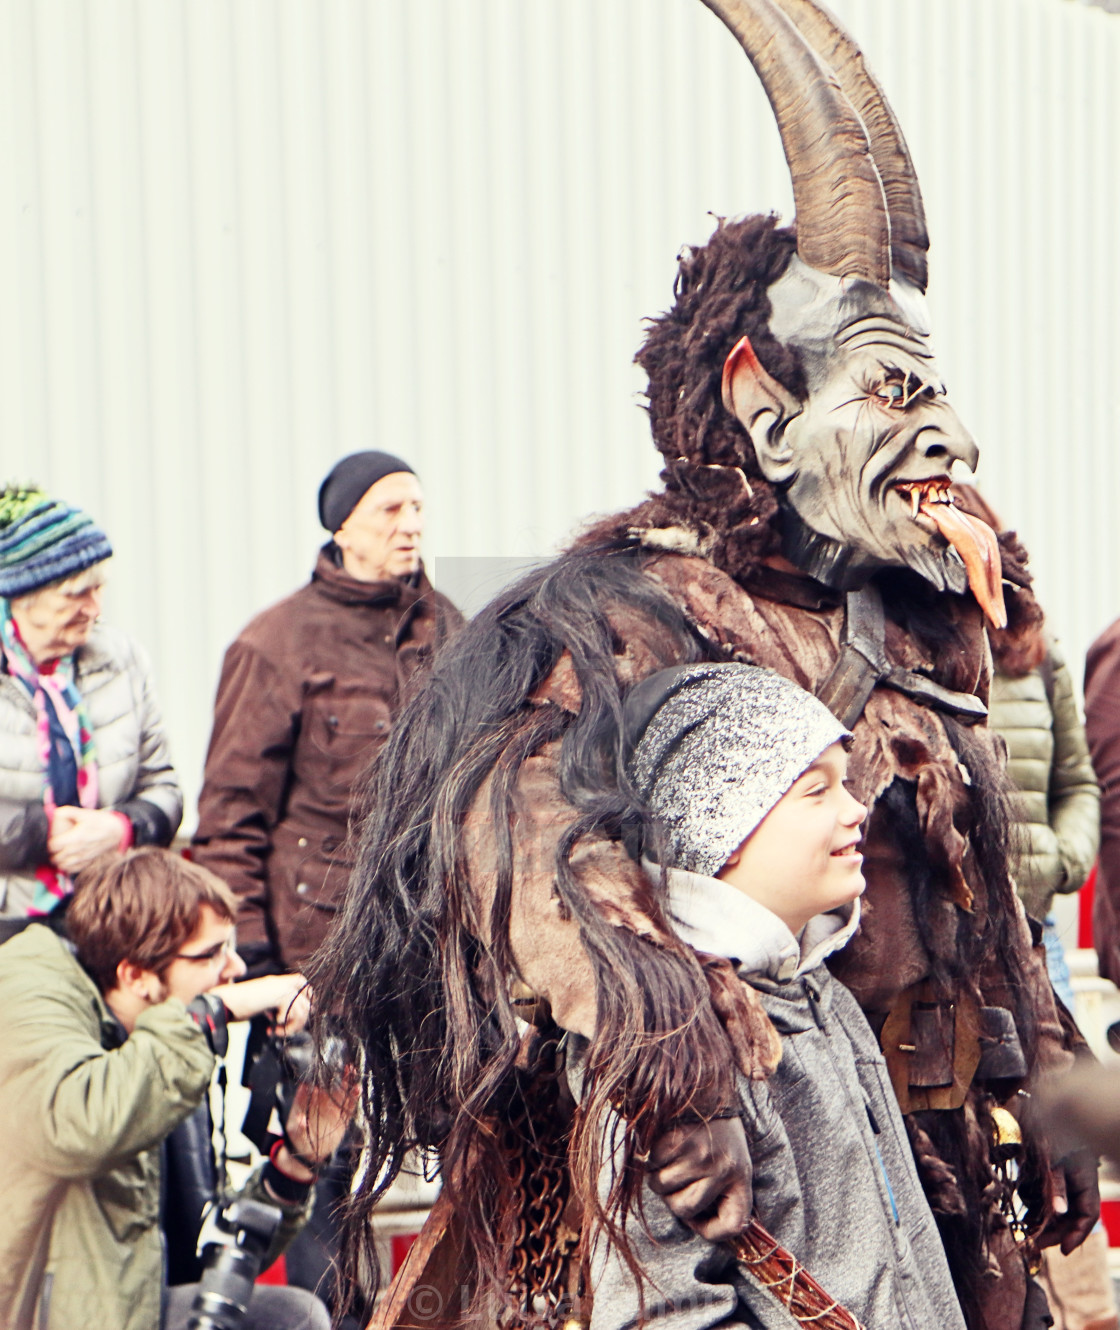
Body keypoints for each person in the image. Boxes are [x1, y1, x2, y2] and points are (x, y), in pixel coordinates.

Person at [314, 5, 1092, 1329]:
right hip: (750, 1204)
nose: (951, 431)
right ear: (761, 402)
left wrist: (1048, 1061)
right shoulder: (629, 615)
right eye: (896, 391)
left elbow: (983, 896)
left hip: (934, 1188)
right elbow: (509, 843)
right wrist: (669, 1049)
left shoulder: (921, 620)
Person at [581, 661, 966, 1328]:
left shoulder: (825, 1001)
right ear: (717, 834)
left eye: (846, 785)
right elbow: (665, 1315)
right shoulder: (671, 1053)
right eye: (816, 793)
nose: (857, 810)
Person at [0, 847, 352, 1330]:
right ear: (136, 974)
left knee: (293, 1317)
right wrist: (215, 1011)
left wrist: (296, 1161)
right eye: (211, 954)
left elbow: (212, 1252)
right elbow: (77, 1128)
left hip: (132, 1303)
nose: (234, 972)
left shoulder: (162, 1043)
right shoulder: (30, 1003)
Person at [192, 450, 463, 975]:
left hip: (440, 935)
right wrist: (254, 955)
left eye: (417, 508)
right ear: (342, 529)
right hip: (322, 945)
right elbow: (231, 818)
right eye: (390, 510)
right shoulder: (275, 644)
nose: (412, 526)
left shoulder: (450, 626)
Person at [0, 487, 182, 922]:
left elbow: (165, 789)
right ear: (23, 595)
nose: (95, 609)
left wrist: (122, 828)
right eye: (75, 594)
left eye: (98, 589)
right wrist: (44, 836)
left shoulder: (120, 660)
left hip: (108, 913)